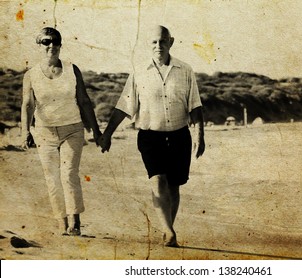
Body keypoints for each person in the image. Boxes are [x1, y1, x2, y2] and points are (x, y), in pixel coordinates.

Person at [99, 25, 205, 247]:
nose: (159, 46)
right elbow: (124, 107)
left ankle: (167, 230)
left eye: (163, 41)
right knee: (158, 181)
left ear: (171, 42)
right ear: (149, 44)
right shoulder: (139, 72)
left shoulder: (185, 70)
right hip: (150, 136)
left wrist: (199, 136)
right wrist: (108, 134)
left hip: (180, 136)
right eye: (154, 42)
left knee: (174, 186)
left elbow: (195, 106)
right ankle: (169, 231)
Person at [21, 27, 102, 236]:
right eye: (46, 42)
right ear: (39, 45)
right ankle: (61, 220)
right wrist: (25, 132)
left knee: (68, 174)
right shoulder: (30, 75)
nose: (51, 46)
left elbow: (84, 101)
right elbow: (28, 105)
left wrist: (96, 130)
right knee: (52, 178)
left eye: (55, 42)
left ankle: (74, 222)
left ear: (60, 45)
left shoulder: (72, 69)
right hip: (44, 132)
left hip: (72, 129)